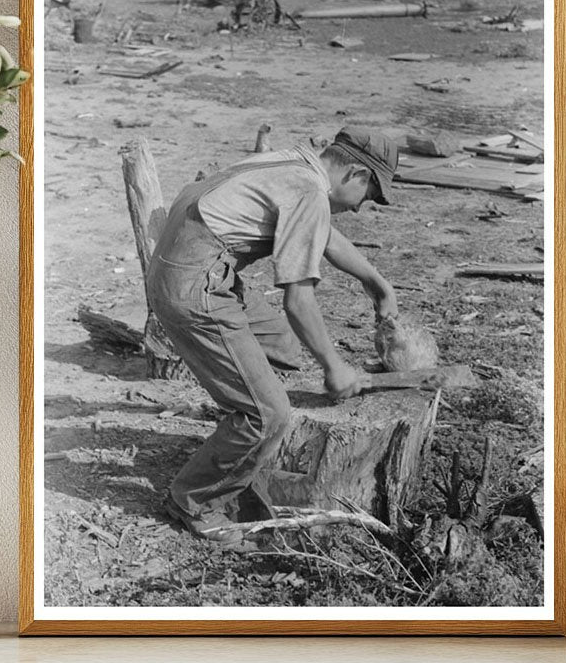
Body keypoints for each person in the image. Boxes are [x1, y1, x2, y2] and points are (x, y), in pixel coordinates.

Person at [147, 126, 400, 549]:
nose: (361, 209)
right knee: (268, 415)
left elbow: (325, 236)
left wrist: (377, 282)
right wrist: (335, 367)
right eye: (369, 197)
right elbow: (299, 302)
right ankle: (194, 500)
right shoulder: (308, 190)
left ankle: (243, 429)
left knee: (283, 347)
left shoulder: (297, 164)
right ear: (355, 173)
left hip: (193, 267)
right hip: (193, 286)